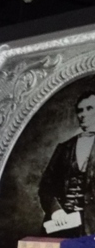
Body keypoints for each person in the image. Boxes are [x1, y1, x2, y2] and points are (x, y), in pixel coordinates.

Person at [38, 91, 95, 237]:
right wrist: (56, 210)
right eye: (80, 110)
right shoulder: (64, 148)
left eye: (89, 108)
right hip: (62, 225)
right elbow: (46, 186)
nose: (83, 114)